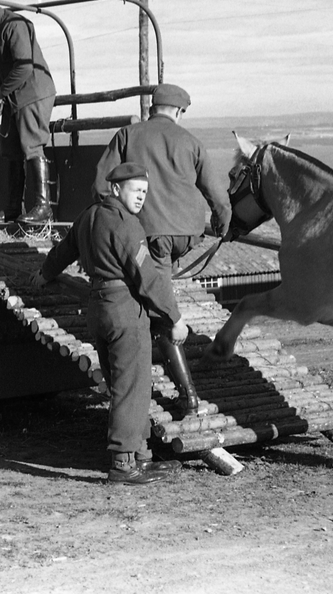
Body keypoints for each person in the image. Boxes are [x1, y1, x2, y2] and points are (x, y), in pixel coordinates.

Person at [31, 163, 189, 485]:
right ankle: (122, 462)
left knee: (127, 385)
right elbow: (148, 279)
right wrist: (174, 317)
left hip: (98, 308)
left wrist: (45, 273)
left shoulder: (88, 216)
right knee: (131, 388)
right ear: (116, 189)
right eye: (135, 190)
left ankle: (141, 455)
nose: (141, 197)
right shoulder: (125, 224)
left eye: (144, 192)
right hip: (124, 311)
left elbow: (63, 250)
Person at [92, 84, 230, 415]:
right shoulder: (191, 142)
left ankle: (188, 395)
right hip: (186, 234)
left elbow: (100, 186)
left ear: (151, 106)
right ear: (179, 112)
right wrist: (223, 227)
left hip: (150, 233)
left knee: (160, 307)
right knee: (156, 288)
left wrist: (113, 221)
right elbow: (216, 194)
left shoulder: (127, 134)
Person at [0, 0, 57, 224]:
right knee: (12, 151)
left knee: (32, 145)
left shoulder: (14, 25)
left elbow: (24, 66)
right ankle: (12, 209)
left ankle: (43, 206)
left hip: (32, 92)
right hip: (14, 96)